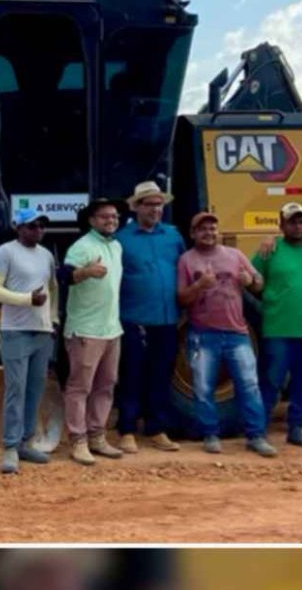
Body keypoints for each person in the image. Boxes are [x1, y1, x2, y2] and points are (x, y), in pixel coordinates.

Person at [177, 212, 276, 457]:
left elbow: (259, 282)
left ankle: (256, 436)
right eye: (202, 229)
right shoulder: (186, 261)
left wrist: (250, 281)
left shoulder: (235, 255)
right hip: (202, 335)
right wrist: (200, 286)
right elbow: (180, 298)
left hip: (237, 334)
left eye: (212, 228)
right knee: (202, 388)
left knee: (250, 386)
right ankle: (210, 434)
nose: (208, 233)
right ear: (193, 234)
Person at [114, 181, 184, 453]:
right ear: (137, 207)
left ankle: (156, 429)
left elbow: (182, 268)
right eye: (150, 204)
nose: (156, 209)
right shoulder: (122, 239)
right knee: (132, 375)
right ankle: (127, 430)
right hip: (134, 318)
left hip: (167, 319)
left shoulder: (173, 236)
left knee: (161, 375)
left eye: (159, 204)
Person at [0, 208, 56, 473]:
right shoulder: (6, 252)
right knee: (16, 389)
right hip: (15, 330)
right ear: (19, 228)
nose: (38, 230)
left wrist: (53, 320)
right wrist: (26, 299)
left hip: (41, 331)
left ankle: (26, 442)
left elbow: (52, 291)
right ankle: (10, 447)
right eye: (32, 226)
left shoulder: (46, 255)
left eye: (41, 226)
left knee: (35, 389)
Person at [58, 198, 126, 466]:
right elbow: (64, 276)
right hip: (85, 330)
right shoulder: (82, 246)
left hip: (111, 329)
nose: (111, 220)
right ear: (92, 220)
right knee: (79, 387)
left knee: (106, 386)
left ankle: (98, 436)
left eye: (115, 216)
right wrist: (86, 271)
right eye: (104, 216)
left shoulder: (117, 246)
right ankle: (78, 441)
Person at [252, 202, 302, 448]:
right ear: (282, 224)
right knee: (271, 382)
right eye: (292, 221)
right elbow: (253, 279)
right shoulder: (269, 250)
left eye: (301, 221)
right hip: (277, 328)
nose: (297, 225)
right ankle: (257, 432)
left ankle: (296, 429)